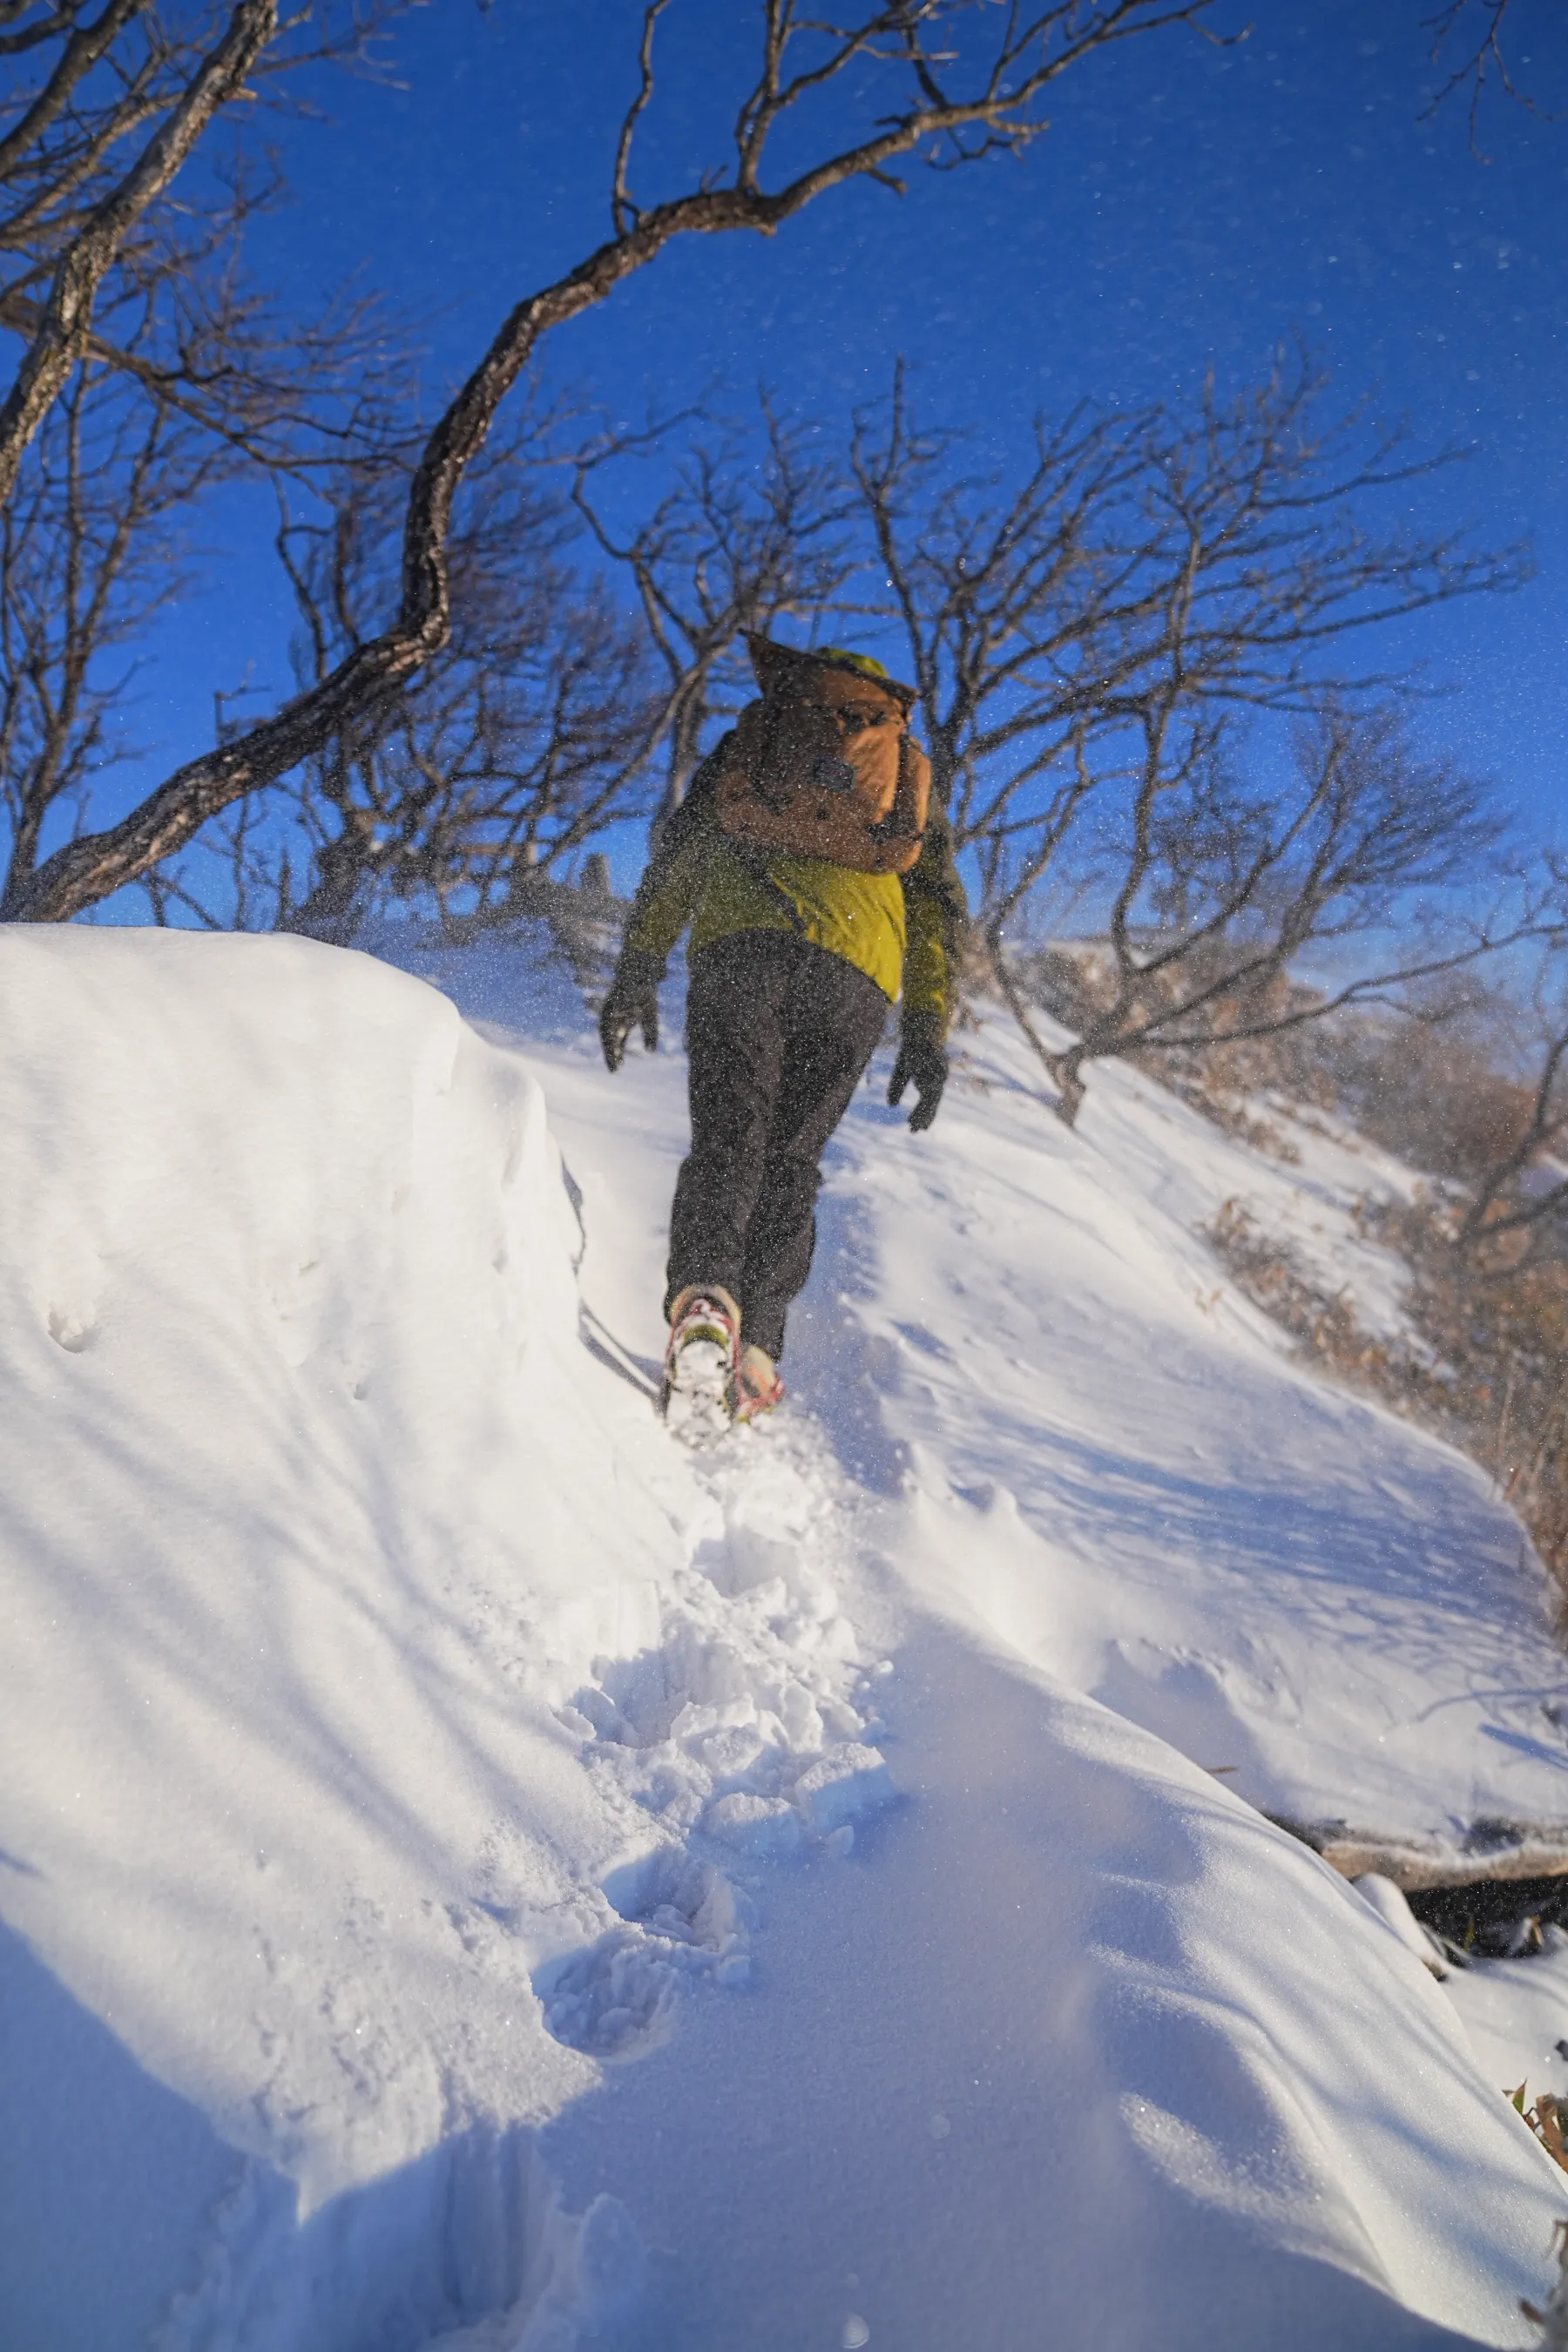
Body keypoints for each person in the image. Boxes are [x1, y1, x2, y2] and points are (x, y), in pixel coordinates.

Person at [598, 634, 969, 1429]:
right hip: (858, 972)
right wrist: (927, 1027)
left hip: (743, 945)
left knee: (731, 1133)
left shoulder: (755, 738)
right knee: (792, 1156)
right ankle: (759, 1348)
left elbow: (684, 857)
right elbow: (937, 903)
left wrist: (638, 969)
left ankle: (706, 1299)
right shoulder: (903, 765)